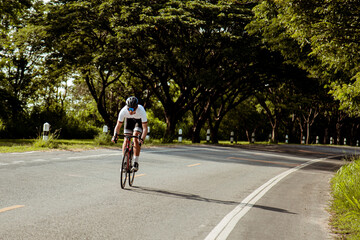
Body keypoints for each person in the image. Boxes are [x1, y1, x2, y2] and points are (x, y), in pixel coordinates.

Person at [112, 96, 148, 172]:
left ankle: (135, 162)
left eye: (133, 109)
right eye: (129, 109)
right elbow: (118, 126)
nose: (131, 111)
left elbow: (145, 128)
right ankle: (125, 162)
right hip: (128, 121)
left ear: (137, 107)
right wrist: (115, 135)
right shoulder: (123, 111)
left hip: (138, 122)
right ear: (127, 107)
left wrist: (142, 138)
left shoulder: (141, 110)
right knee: (126, 138)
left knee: (135, 138)